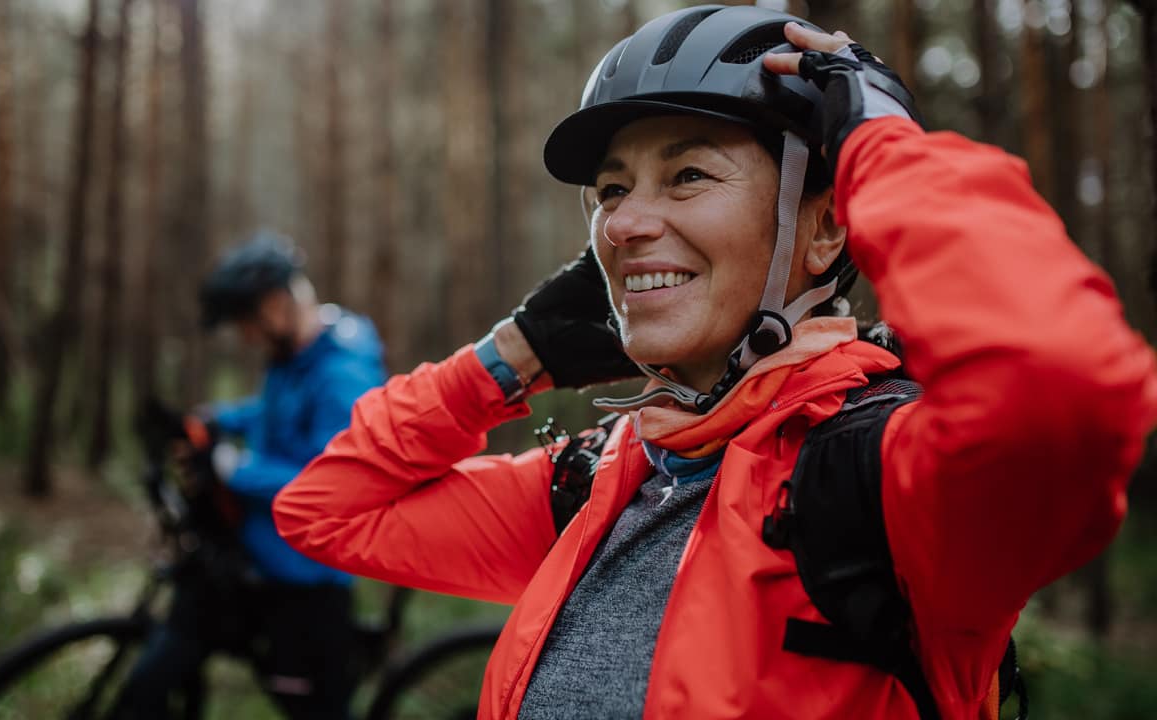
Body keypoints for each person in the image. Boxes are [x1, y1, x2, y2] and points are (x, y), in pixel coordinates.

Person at [273, 7, 1157, 720]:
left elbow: (1062, 390)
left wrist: (882, 152)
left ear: (825, 226)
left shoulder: (885, 487)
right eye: (612, 190)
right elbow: (323, 509)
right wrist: (515, 357)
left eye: (687, 175)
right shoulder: (606, 482)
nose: (621, 225)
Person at [118, 231, 386, 719]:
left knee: (316, 708)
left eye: (246, 322)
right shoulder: (293, 356)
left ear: (278, 303)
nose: (244, 336)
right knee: (163, 663)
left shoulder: (343, 373)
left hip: (305, 575)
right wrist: (216, 419)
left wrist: (231, 467)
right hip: (255, 554)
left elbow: (331, 477)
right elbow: (271, 414)